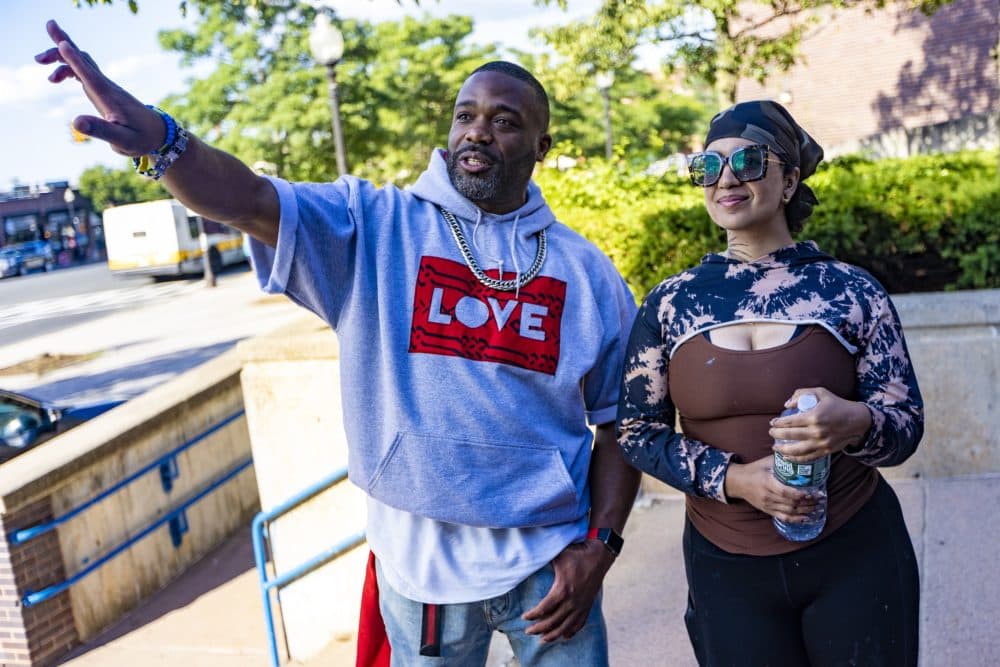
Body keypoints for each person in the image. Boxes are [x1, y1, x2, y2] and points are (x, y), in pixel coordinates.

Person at [37, 19, 641, 667]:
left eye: (504, 121)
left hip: (551, 565)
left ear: (541, 144)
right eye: (466, 114)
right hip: (421, 575)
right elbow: (245, 199)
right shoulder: (374, 225)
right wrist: (164, 141)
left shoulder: (586, 273)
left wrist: (599, 548)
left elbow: (622, 424)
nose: (478, 131)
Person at [616, 100, 923, 666]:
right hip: (725, 566)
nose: (726, 179)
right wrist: (733, 479)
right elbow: (636, 433)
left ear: (789, 180)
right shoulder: (670, 303)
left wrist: (854, 423)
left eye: (750, 161)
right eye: (708, 167)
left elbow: (904, 428)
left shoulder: (850, 291)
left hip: (855, 552)